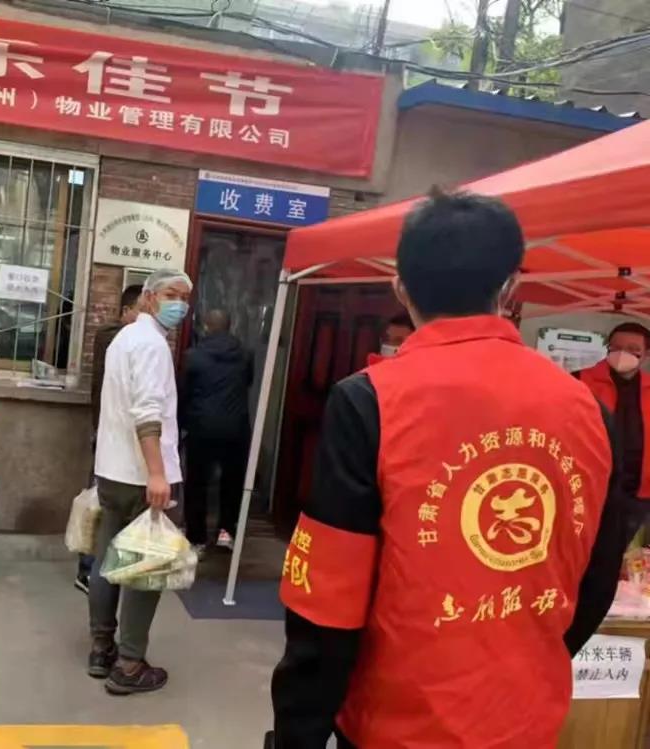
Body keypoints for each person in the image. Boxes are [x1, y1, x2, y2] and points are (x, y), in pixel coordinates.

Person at [267, 190, 628, 748]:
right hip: (525, 722)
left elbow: (327, 600)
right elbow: (599, 577)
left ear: (400, 287)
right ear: (510, 287)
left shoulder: (369, 401)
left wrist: (298, 735)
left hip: (396, 724)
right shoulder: (590, 411)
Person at [88, 268, 192, 696]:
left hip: (112, 471)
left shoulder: (124, 338)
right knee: (144, 570)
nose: (180, 305)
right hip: (141, 477)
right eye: (171, 295)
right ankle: (130, 664)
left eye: (185, 298)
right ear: (149, 297)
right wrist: (157, 473)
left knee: (106, 562)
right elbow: (147, 412)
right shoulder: (151, 344)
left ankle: (101, 647)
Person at [74, 283, 143, 594]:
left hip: (124, 436)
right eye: (142, 310)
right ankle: (88, 569)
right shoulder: (112, 336)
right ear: (126, 311)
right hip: (109, 434)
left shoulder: (130, 338)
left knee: (110, 507)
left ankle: (104, 568)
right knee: (100, 505)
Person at [180, 309, 253, 551]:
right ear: (230, 326)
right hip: (235, 429)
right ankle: (226, 533)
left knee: (197, 483)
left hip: (201, 428)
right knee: (232, 482)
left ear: (206, 327)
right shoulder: (245, 355)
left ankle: (196, 538)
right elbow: (247, 382)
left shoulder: (193, 356)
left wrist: (180, 424)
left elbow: (184, 392)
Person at [577, 322, 650, 540]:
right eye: (616, 348)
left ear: (646, 354)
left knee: (631, 555)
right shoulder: (579, 381)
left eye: (633, 349)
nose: (622, 354)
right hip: (588, 491)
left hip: (639, 495)